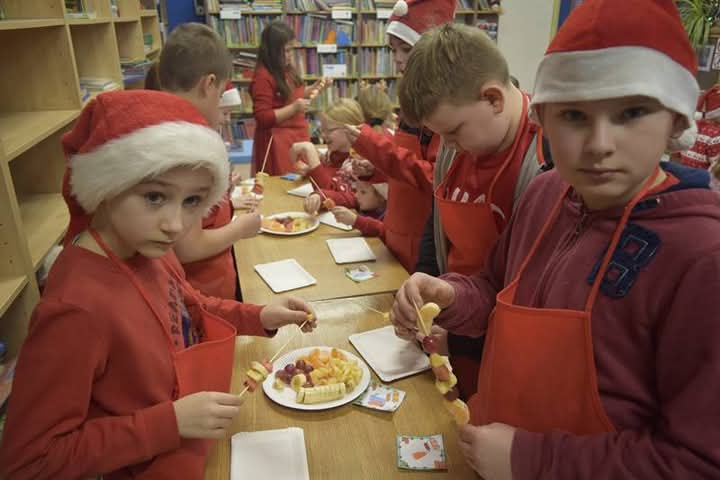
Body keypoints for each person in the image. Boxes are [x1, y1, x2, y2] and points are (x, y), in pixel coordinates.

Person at [390, 0, 720, 477]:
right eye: (573, 115)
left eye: (631, 112)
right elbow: (495, 288)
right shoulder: (547, 190)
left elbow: (695, 461)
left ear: (675, 120)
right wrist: (451, 295)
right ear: (544, 116)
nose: (599, 143)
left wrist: (530, 460)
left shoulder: (701, 257)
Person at [0, 90, 317, 480]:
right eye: (154, 197)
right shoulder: (75, 308)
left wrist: (259, 315)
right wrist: (168, 423)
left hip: (192, 443)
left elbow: (187, 304)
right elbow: (29, 461)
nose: (176, 224)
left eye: (192, 201)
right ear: (106, 185)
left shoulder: (146, 245)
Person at [294, 0, 455, 273]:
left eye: (406, 49)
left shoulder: (443, 109)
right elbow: (404, 170)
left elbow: (434, 179)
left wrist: (374, 147)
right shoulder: (414, 99)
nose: (398, 60)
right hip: (399, 234)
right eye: (393, 50)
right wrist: (375, 169)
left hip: (419, 241)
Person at [155, 22, 260, 299]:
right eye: (221, 91)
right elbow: (187, 247)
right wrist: (241, 228)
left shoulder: (160, 127)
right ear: (209, 84)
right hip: (201, 292)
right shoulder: (189, 145)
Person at [250, 20, 329, 176]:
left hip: (296, 135)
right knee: (284, 185)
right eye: (286, 51)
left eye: (291, 50)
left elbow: (290, 95)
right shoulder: (263, 77)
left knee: (303, 180)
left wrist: (313, 89)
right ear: (272, 51)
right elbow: (263, 117)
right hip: (278, 142)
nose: (290, 55)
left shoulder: (286, 69)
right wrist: (294, 108)